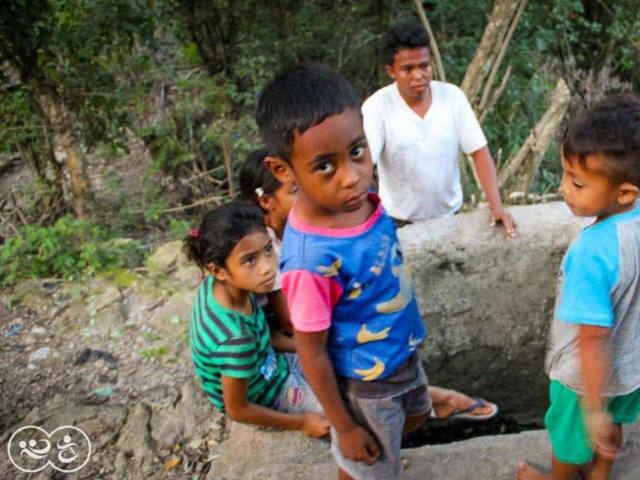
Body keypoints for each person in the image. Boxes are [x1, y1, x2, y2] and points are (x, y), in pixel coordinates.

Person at [239, 146, 499, 422]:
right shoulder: (273, 249)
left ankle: (426, 403)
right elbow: (296, 325)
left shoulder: (316, 226)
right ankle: (432, 403)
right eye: (294, 190)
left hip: (312, 336)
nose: (306, 195)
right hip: (291, 349)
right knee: (360, 389)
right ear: (267, 202)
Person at [516, 94, 640, 480]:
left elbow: (591, 338)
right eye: (565, 175)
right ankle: (599, 474)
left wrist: (590, 405)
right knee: (612, 425)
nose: (563, 188)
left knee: (572, 439)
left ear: (624, 193)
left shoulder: (591, 254)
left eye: (577, 182)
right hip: (631, 363)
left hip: (582, 376)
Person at [183, 202, 330, 438]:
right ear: (218, 270)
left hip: (268, 364)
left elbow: (263, 335)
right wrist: (302, 422)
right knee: (337, 417)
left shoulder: (225, 287)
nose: (268, 268)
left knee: (331, 356)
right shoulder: (233, 339)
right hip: (265, 394)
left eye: (268, 250)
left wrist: (307, 346)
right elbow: (237, 409)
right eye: (250, 260)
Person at [362, 21, 516, 238]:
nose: (418, 75)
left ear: (431, 62)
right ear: (391, 71)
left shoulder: (452, 97)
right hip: (398, 224)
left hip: (451, 219)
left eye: (424, 66)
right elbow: (366, 163)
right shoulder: (377, 107)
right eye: (407, 69)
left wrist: (496, 206)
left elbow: (479, 151)